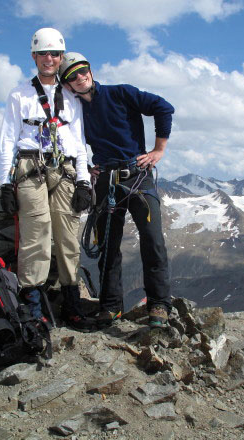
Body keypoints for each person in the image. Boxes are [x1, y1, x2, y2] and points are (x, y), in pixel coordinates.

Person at [59, 52, 174, 329]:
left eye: (83, 71)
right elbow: (66, 141)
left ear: (90, 70)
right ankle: (111, 307)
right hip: (105, 180)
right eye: (72, 76)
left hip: (137, 176)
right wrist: (85, 168)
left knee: (152, 240)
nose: (80, 77)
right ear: (67, 84)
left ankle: (159, 303)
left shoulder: (121, 93)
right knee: (108, 246)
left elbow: (164, 107)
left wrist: (159, 150)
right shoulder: (73, 110)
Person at [0, 29, 94, 332]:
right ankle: (33, 307)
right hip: (31, 167)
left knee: (67, 237)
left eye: (54, 54)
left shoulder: (71, 97)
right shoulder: (19, 94)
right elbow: (7, 139)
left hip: (64, 169)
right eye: (43, 54)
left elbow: (79, 141)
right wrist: (4, 183)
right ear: (34, 57)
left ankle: (72, 304)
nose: (49, 59)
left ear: (61, 57)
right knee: (35, 236)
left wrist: (83, 181)